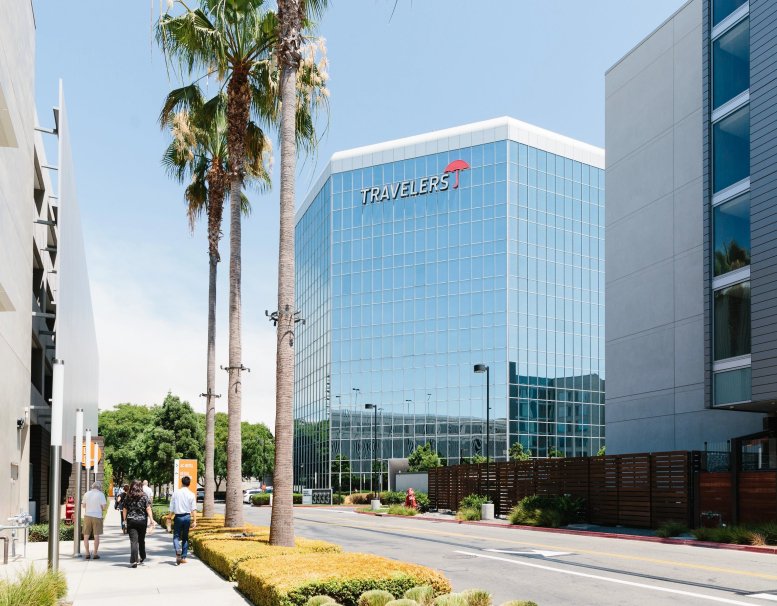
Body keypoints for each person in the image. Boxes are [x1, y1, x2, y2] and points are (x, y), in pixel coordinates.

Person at [122, 479, 155, 568]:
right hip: (142, 521)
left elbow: (124, 509)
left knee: (134, 541)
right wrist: (151, 520)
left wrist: (124, 520)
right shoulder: (144, 496)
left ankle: (134, 561)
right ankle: (143, 555)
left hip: (131, 520)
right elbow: (148, 508)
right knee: (141, 539)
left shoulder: (128, 496)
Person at [169, 476, 197, 565]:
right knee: (185, 538)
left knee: (176, 536)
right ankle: (183, 557)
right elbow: (194, 509)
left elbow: (172, 506)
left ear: (182, 482)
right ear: (189, 484)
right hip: (187, 517)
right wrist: (195, 521)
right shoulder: (191, 494)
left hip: (178, 517)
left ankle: (177, 550)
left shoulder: (176, 493)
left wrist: (169, 517)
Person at [82, 481, 107, 560]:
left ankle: (87, 553)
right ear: (99, 487)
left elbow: (83, 506)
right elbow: (104, 507)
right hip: (97, 516)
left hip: (87, 516)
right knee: (96, 536)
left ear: (92, 487)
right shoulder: (101, 494)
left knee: (86, 536)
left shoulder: (86, 494)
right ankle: (95, 553)